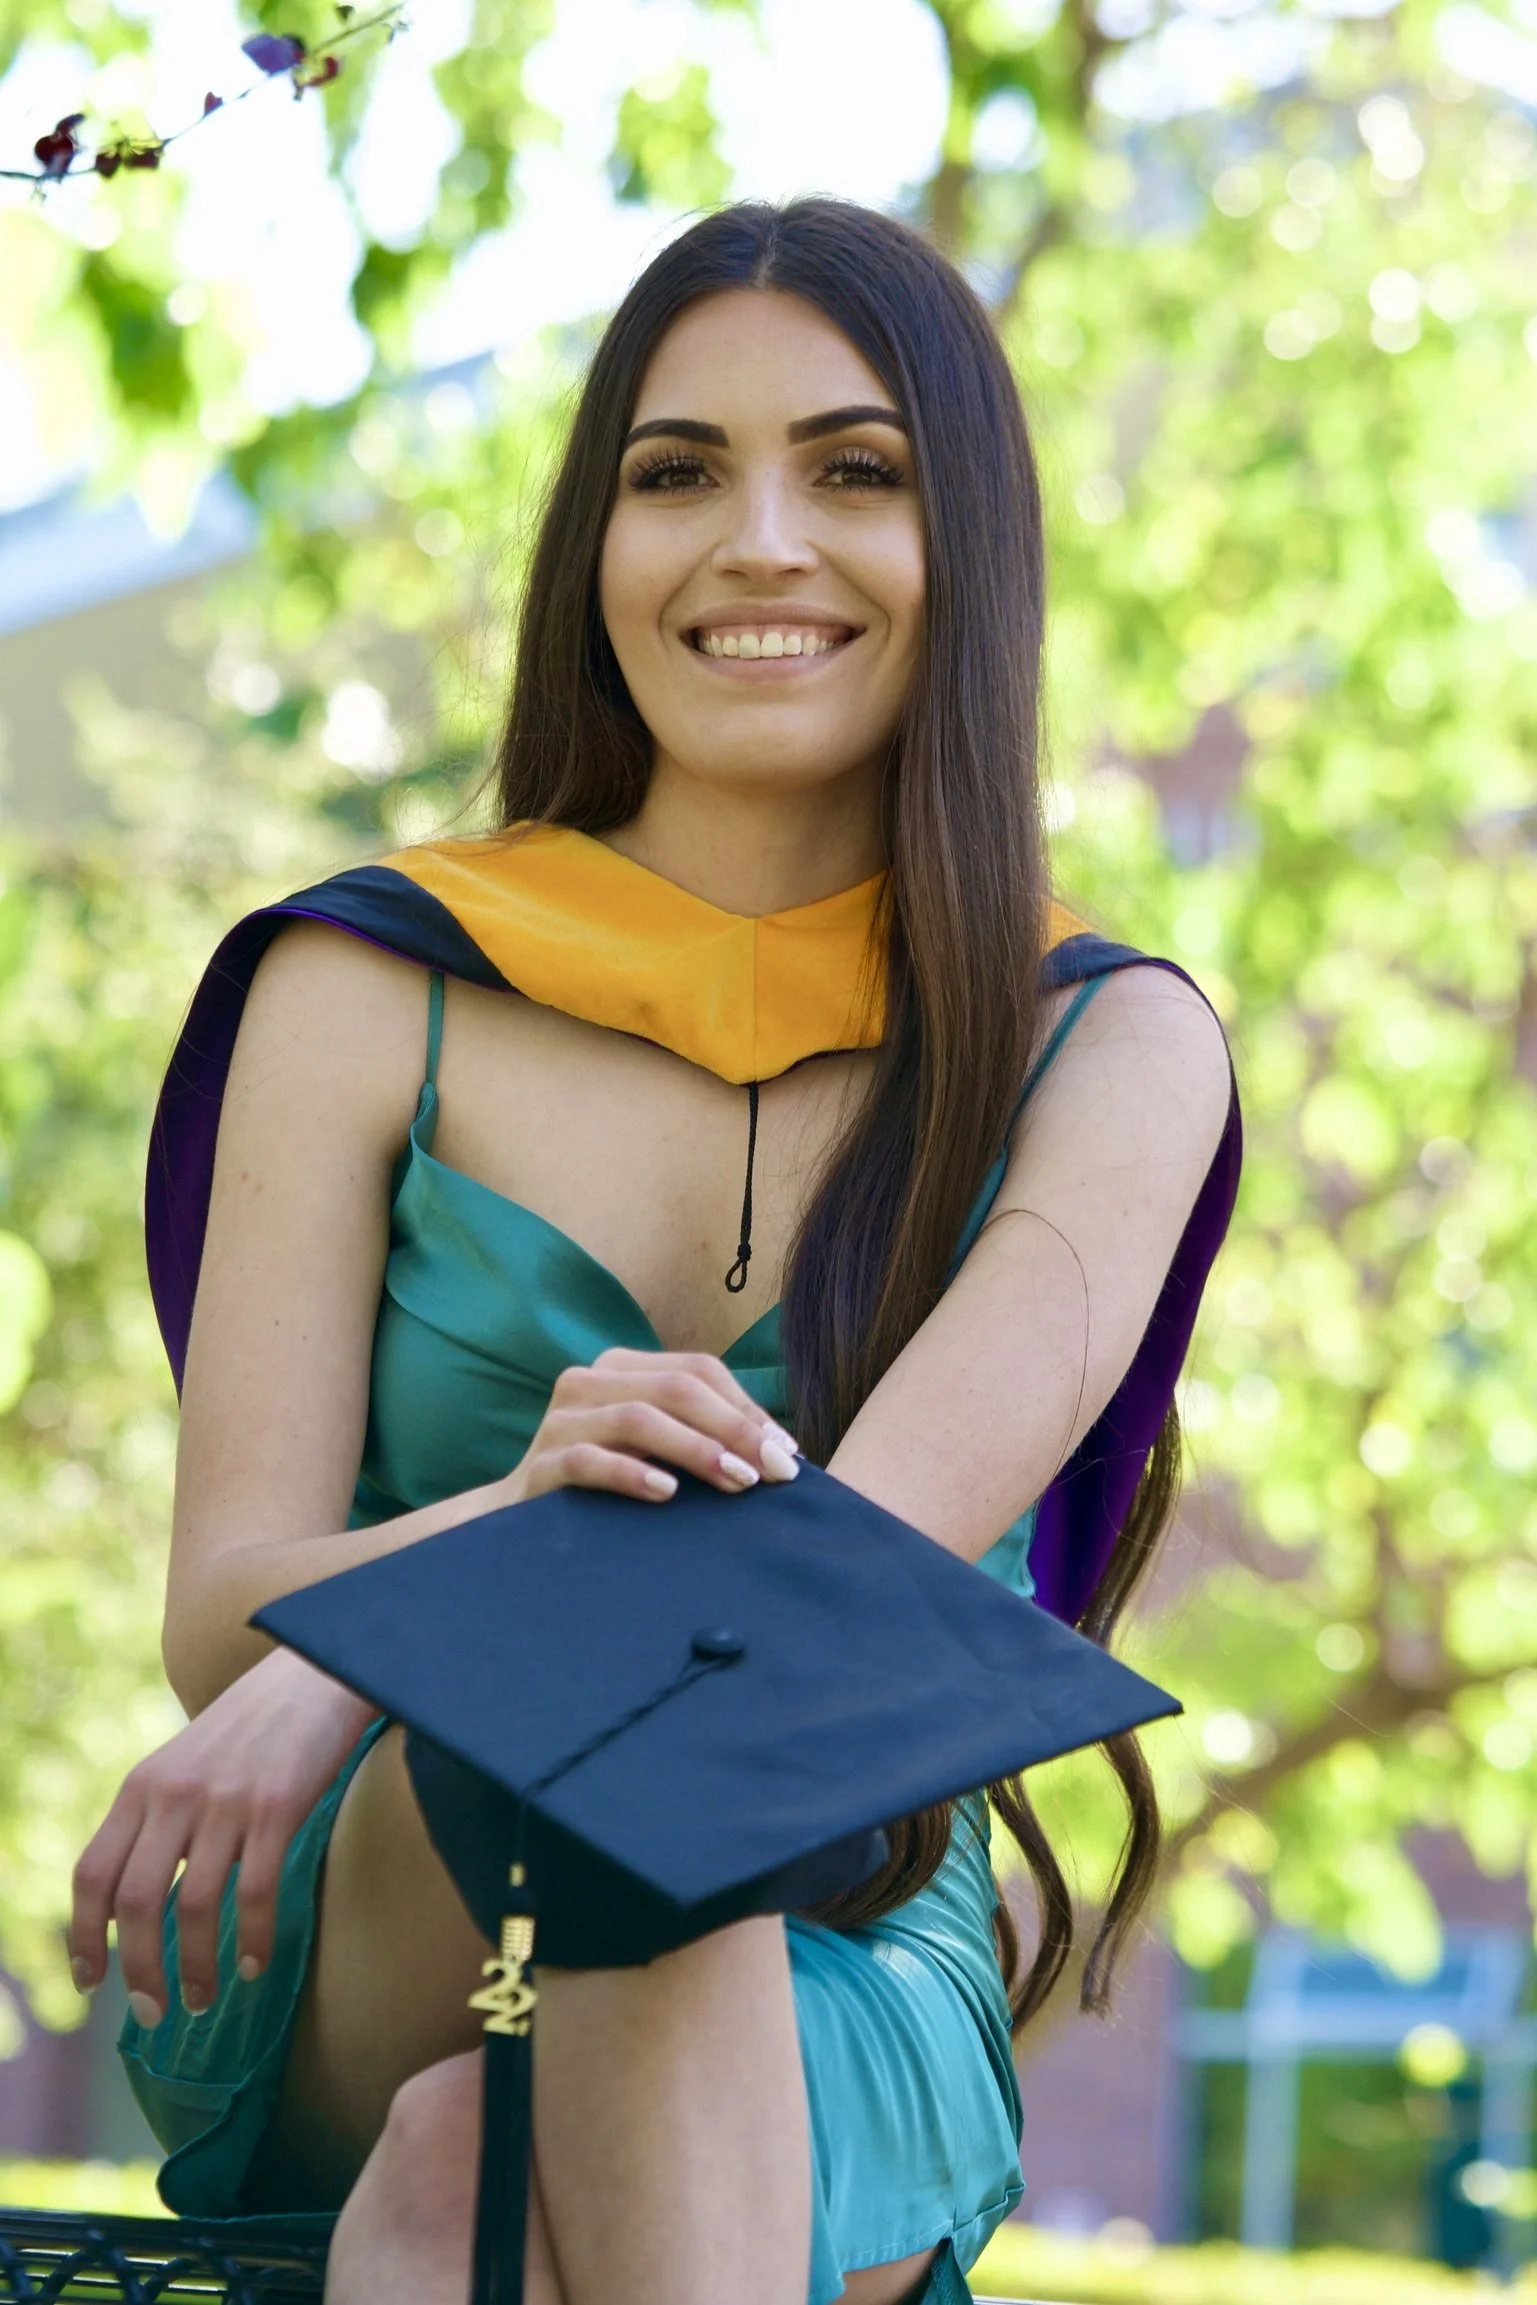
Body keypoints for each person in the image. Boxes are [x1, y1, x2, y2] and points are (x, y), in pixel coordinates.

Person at [67, 198, 1237, 2305]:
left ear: (967, 545)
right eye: (676, 472)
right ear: (592, 551)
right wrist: (508, 1526)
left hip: (853, 1922)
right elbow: (220, 1623)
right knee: (576, 1797)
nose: (758, 541)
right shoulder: (367, 982)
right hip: (380, 1903)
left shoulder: (1109, 1048)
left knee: (469, 2161)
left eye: (854, 472)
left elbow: (821, 1619)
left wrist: (367, 1648)